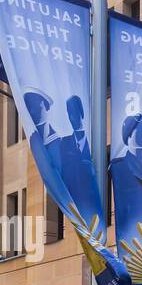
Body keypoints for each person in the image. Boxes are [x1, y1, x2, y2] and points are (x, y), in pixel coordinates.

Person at [56, 96, 100, 226]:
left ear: (81, 113)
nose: (72, 117)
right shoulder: (64, 144)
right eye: (69, 113)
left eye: (74, 112)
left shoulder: (95, 140)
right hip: (78, 207)